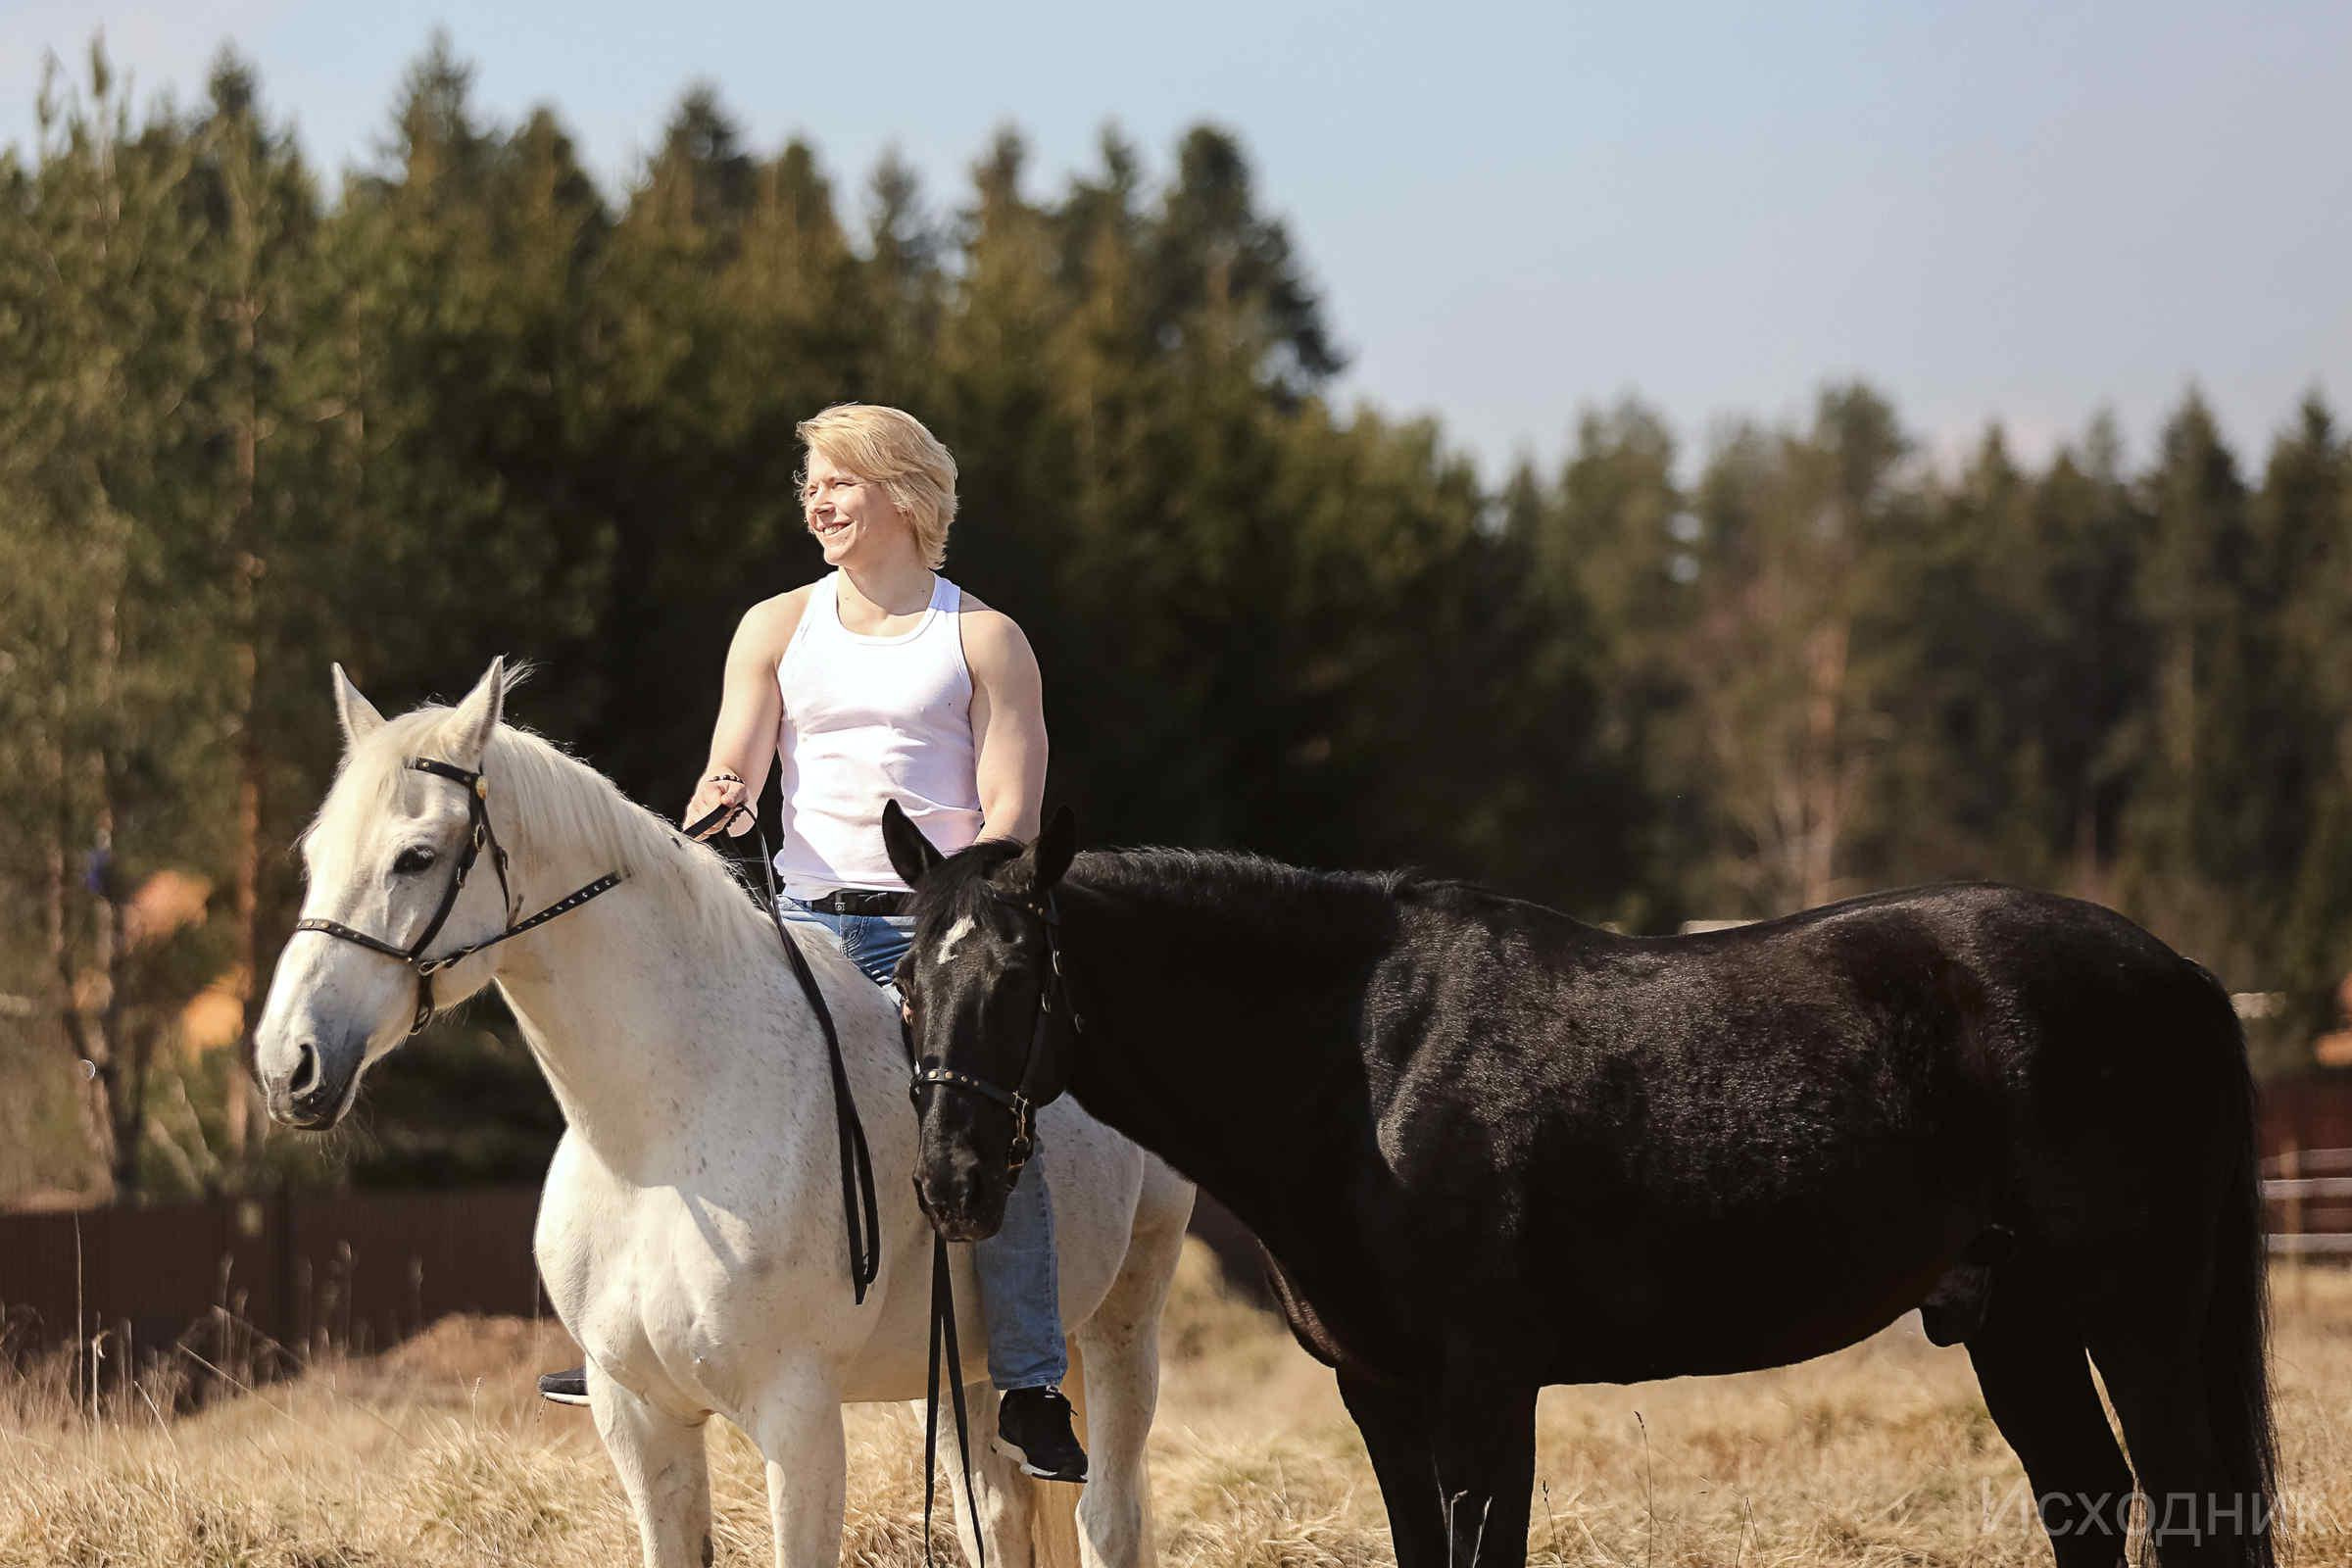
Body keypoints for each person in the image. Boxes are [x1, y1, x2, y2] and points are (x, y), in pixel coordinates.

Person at [537, 403, 1088, 1483]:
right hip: (793, 924)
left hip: (934, 931)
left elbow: (1012, 813)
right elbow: (733, 761)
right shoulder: (776, 626)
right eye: (809, 485)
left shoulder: (982, 638)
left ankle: (1026, 1381)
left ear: (903, 492)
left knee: (998, 1119)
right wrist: (718, 802)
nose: (815, 502)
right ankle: (615, 1336)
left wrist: (968, 913)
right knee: (651, 1071)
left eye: (837, 481)